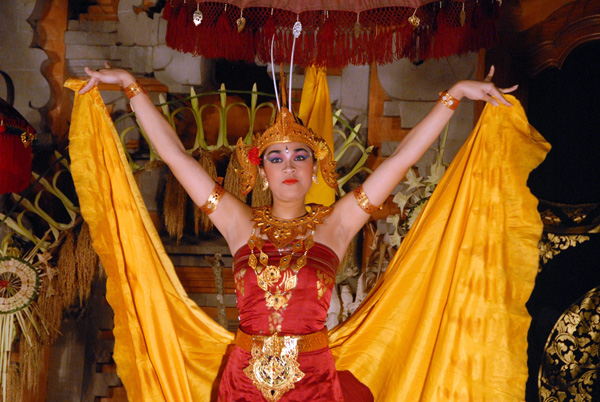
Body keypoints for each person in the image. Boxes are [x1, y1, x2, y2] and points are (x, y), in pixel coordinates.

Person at [79, 63, 516, 402]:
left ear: (315, 167)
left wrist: (454, 95)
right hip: (243, 383)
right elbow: (175, 157)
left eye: (299, 155)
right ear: (263, 173)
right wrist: (130, 85)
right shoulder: (238, 221)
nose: (288, 165)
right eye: (276, 157)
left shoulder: (337, 222)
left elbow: (400, 162)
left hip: (314, 382)